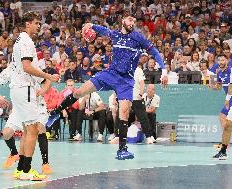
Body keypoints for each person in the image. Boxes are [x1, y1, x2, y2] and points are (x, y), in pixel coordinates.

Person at [47, 10, 167, 160]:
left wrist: (164, 70)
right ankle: (55, 113)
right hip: (110, 74)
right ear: (123, 20)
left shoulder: (138, 37)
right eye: (130, 19)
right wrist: (90, 24)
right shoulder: (115, 34)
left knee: (124, 111)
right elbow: (102, 30)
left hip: (126, 80)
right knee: (79, 93)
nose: (132, 22)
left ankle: (122, 149)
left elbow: (155, 52)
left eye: (134, 21)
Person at [0, 11, 59, 180]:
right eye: (36, 23)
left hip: (19, 89)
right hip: (24, 89)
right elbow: (27, 66)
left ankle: (20, 168)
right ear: (27, 24)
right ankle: (27, 171)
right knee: (32, 130)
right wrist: (48, 76)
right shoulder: (26, 41)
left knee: (27, 130)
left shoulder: (21, 40)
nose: (39, 26)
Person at [0, 64, 53, 175]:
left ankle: (44, 163)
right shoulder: (11, 69)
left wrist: (42, 92)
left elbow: (48, 81)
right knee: (6, 133)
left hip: (37, 106)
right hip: (20, 108)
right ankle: (15, 154)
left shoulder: (32, 67)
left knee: (39, 128)